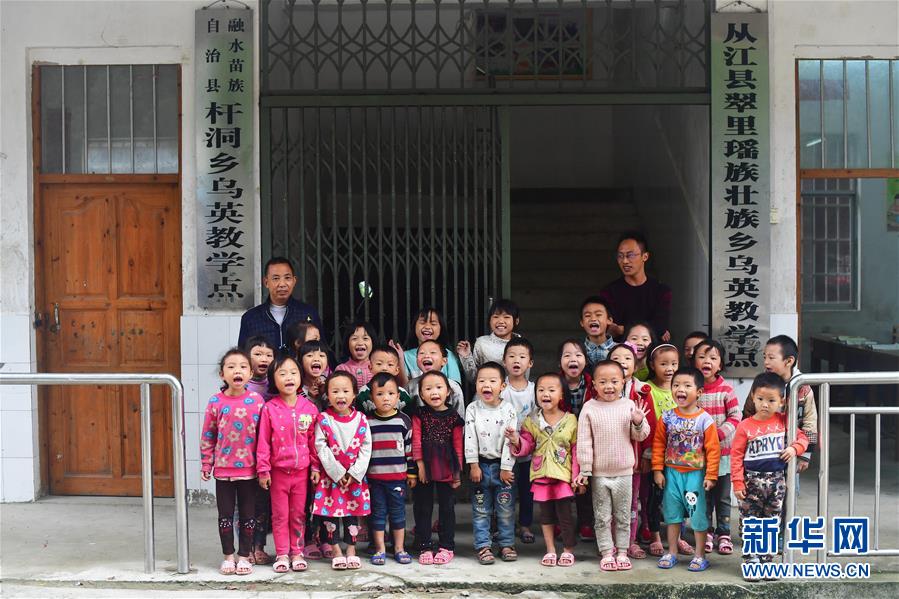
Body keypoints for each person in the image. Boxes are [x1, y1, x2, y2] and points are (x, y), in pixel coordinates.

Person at [732, 372, 809, 580]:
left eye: (771, 400)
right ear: (752, 397)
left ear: (782, 401)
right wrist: (737, 482)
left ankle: (767, 560)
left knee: (772, 520)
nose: (765, 404)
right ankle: (751, 560)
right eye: (760, 399)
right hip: (751, 481)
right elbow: (736, 456)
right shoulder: (745, 426)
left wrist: (794, 449)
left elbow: (803, 439)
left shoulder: (784, 422)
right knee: (750, 520)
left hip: (776, 481)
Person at [575, 360, 650, 572]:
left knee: (623, 515)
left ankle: (623, 551)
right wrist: (585, 469)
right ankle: (607, 552)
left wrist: (638, 422)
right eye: (603, 382)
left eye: (614, 381)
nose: (609, 386)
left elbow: (641, 435)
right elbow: (584, 441)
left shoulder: (629, 405)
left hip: (624, 472)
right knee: (602, 516)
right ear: (594, 385)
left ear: (623, 382)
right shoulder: (589, 408)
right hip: (599, 473)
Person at [199, 348, 266, 575]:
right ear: (222, 374)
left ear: (250, 374)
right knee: (225, 516)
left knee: (248, 516)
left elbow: (264, 438)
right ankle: (228, 556)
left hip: (250, 471)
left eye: (243, 367)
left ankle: (244, 556)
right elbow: (208, 435)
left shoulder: (257, 401)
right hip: (223, 471)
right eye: (231, 367)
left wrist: (264, 467)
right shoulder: (215, 402)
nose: (238, 370)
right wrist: (206, 463)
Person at [507, 373, 581, 568]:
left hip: (563, 475)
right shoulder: (531, 421)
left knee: (565, 515)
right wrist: (516, 440)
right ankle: (550, 549)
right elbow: (526, 446)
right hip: (541, 474)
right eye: (541, 390)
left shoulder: (571, 420)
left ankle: (568, 549)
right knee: (546, 515)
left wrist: (577, 476)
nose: (545, 394)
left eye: (551, 390)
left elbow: (576, 450)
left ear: (562, 395)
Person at [652, 367, 720, 572]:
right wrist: (657, 470)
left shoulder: (705, 420)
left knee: (697, 515)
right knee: (672, 514)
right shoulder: (667, 417)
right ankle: (672, 552)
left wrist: (711, 475)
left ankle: (700, 555)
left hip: (695, 476)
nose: (680, 389)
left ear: (699, 392)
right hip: (671, 474)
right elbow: (658, 444)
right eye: (676, 385)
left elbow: (713, 449)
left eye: (687, 385)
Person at [256, 354, 319, 573]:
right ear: (274, 379)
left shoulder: (310, 409)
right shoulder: (269, 408)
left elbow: (314, 442)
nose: (288, 377)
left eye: (293, 372)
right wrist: (263, 470)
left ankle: (297, 552)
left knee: (298, 514)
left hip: (302, 473)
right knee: (280, 515)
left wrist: (315, 467)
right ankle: (282, 554)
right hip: (278, 474)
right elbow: (263, 442)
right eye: (282, 373)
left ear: (300, 377)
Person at [310, 371, 372, 570]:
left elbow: (366, 448)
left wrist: (354, 473)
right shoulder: (324, 419)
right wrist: (337, 473)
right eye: (335, 391)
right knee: (331, 515)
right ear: (327, 395)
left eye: (345, 391)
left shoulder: (361, 419)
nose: (340, 396)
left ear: (354, 394)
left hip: (354, 478)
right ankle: (336, 550)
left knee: (352, 513)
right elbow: (320, 446)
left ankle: (351, 550)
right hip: (331, 478)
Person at [465, 362, 518, 565]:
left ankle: (506, 544)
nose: (486, 385)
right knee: (481, 510)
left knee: (505, 510)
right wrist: (473, 465)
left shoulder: (508, 410)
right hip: (481, 466)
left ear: (502, 386)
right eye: (481, 381)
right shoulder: (473, 409)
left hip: (502, 468)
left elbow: (510, 440)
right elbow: (470, 437)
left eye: (492, 381)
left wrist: (506, 468)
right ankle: (483, 546)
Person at [693, 339, 741, 556]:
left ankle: (724, 533)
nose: (707, 361)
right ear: (694, 361)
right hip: (698, 454)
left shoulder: (726, 389)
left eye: (713, 358)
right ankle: (707, 532)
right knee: (704, 496)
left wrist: (719, 434)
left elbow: (735, 416)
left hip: (723, 453)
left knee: (722, 496)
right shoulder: (692, 389)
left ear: (720, 364)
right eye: (702, 357)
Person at [412, 370, 464, 565]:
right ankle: (424, 545)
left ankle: (446, 546)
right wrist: (420, 465)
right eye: (428, 388)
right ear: (421, 394)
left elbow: (458, 446)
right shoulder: (419, 414)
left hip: (447, 467)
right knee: (423, 507)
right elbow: (416, 441)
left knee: (447, 508)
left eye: (439, 387)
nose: (434, 392)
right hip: (425, 467)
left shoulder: (454, 417)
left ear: (448, 391)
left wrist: (457, 474)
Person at [745, 335, 818, 472]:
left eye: (771, 358)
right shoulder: (762, 383)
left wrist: (805, 454)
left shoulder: (803, 387)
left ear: (789, 361)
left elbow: (810, 421)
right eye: (765, 357)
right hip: (762, 448)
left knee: (790, 483)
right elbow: (748, 411)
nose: (766, 362)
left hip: (790, 450)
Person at [608, 343, 654, 559]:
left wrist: (646, 454)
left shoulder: (642, 391)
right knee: (608, 505)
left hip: (632, 459)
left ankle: (630, 541)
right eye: (615, 358)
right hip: (607, 460)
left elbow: (651, 424)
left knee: (631, 503)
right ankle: (609, 543)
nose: (621, 362)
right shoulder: (600, 391)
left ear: (635, 366)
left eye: (627, 358)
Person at [365, 373, 415, 566]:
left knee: (398, 513)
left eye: (390, 393)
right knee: (378, 514)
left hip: (397, 478)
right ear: (372, 397)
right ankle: (380, 549)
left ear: (398, 397)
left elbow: (409, 450)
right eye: (380, 394)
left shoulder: (403, 421)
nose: (385, 398)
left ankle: (399, 548)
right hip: (375, 479)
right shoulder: (368, 421)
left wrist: (411, 473)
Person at [237, 257, 322, 354]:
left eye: (287, 278)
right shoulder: (251, 318)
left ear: (294, 281)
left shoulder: (308, 313)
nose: (282, 284)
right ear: (266, 282)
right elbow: (242, 356)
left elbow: (322, 350)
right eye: (276, 278)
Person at [599, 232, 673, 342]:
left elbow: (660, 327)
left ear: (645, 256)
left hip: (651, 351)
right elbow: (609, 327)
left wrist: (622, 329)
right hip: (620, 350)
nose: (624, 261)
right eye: (620, 256)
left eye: (630, 255)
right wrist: (651, 329)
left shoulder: (661, 291)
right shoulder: (609, 292)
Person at [642, 343, 680, 554]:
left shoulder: (680, 388)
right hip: (657, 453)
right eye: (663, 364)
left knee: (679, 497)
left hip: (679, 455)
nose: (669, 368)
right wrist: (647, 454)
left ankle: (678, 537)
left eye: (674, 364)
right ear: (652, 365)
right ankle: (655, 536)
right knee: (655, 497)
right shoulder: (648, 389)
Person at [500, 338, 536, 545]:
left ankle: (525, 525)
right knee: (506, 489)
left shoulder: (534, 390)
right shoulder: (500, 388)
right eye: (512, 356)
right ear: (504, 361)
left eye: (522, 357)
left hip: (528, 450)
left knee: (527, 490)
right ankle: (505, 525)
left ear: (530, 363)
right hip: (504, 449)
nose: (516, 360)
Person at [458, 299, 522, 382]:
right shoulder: (482, 343)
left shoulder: (522, 345)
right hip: (487, 389)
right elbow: (474, 378)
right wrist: (466, 357)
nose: (500, 321)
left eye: (506, 317)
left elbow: (524, 377)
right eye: (496, 317)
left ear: (516, 321)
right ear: (489, 320)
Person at [403, 307, 464, 385]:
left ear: (441, 329)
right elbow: (403, 388)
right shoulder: (405, 356)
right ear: (414, 326)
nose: (427, 327)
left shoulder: (448, 355)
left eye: (433, 324)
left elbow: (455, 386)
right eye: (422, 322)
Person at [407, 339, 466, 418]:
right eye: (422, 353)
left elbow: (460, 417)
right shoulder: (411, 385)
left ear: (444, 361)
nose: (426, 356)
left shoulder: (453, 386)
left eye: (433, 352)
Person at [355, 344, 414, 416]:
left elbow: (408, 418)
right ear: (370, 367)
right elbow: (359, 418)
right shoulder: (363, 393)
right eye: (379, 364)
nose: (384, 368)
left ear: (397, 370)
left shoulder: (402, 394)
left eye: (390, 364)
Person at [335, 320, 376, 388]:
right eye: (354, 338)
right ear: (347, 343)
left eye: (365, 338)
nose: (360, 343)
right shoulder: (342, 369)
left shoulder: (378, 367)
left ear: (373, 343)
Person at [580, 296, 616, 370]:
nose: (593, 319)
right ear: (582, 323)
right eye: (587, 315)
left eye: (598, 315)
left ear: (609, 320)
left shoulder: (620, 349)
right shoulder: (577, 351)